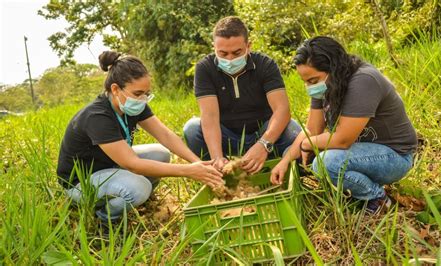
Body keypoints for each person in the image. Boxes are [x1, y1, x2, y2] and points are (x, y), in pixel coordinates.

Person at [57, 51, 223, 223]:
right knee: (139, 188)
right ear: (115, 89)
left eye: (146, 93)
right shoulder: (97, 116)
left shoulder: (131, 104)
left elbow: (165, 135)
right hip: (82, 182)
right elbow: (133, 164)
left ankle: (131, 197)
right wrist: (188, 171)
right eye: (138, 93)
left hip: (110, 164)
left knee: (161, 153)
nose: (142, 99)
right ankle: (105, 217)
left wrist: (197, 162)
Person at [270, 36, 417, 214]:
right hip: (362, 150)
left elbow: (342, 140)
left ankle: (377, 199)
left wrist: (306, 144)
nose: (310, 87)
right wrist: (285, 161)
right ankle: (350, 190)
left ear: (334, 68)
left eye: (313, 81)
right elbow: (311, 130)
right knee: (293, 154)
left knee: (325, 163)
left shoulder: (364, 81)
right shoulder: (326, 86)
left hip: (394, 156)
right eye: (306, 82)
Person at [183, 16, 301, 174]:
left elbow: (282, 110)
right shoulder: (204, 69)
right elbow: (209, 117)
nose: (230, 59)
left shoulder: (265, 65)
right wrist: (217, 157)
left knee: (294, 131)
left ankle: (284, 169)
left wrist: (263, 144)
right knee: (192, 129)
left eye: (237, 52)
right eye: (223, 53)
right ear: (214, 48)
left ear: (248, 46)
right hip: (227, 135)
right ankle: (220, 173)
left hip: (264, 132)